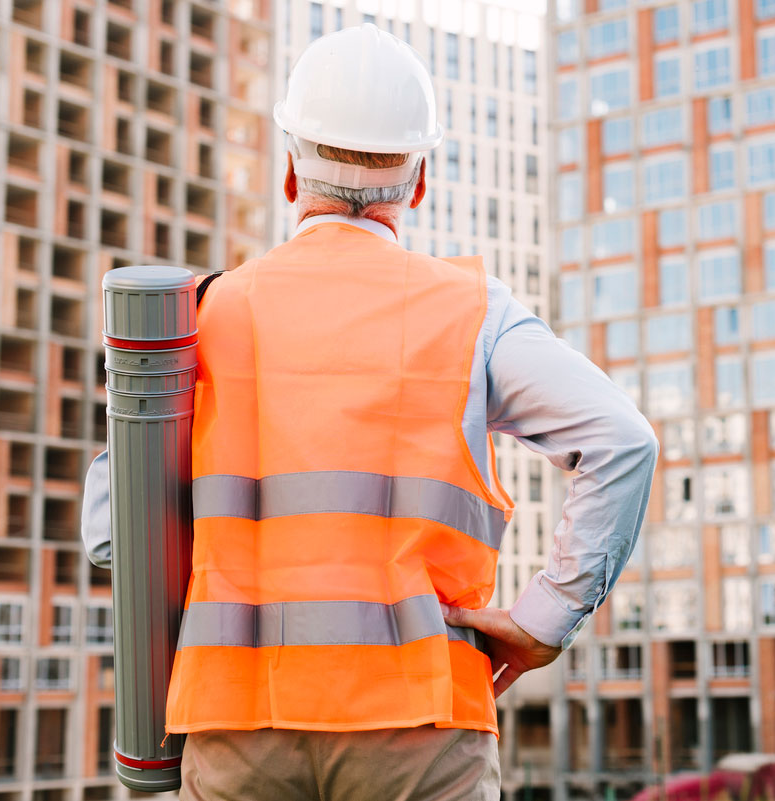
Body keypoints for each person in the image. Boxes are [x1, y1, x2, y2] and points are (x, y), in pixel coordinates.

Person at [81, 24, 657, 801]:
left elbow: (113, 536)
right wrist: (546, 616)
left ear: (290, 173)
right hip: (419, 726)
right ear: (419, 181)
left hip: (236, 728)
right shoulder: (473, 313)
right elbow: (622, 441)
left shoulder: (200, 314)